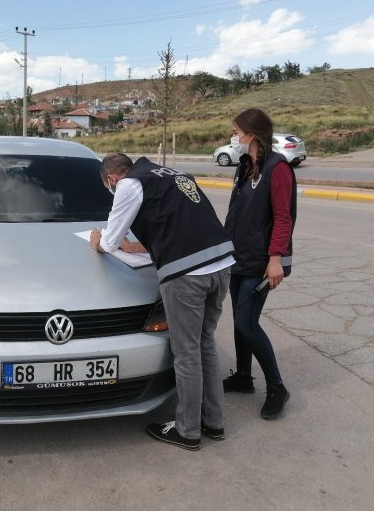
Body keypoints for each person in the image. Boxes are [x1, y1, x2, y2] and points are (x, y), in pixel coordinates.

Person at [89, 153, 235, 451]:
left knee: (186, 352)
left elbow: (109, 242)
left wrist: (97, 239)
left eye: (110, 187)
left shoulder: (129, 185)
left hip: (187, 275)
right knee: (205, 343)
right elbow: (177, 224)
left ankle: (187, 430)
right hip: (220, 265)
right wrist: (137, 246)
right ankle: (214, 422)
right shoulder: (172, 175)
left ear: (111, 179)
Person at [222, 108, 297, 419]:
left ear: (251, 135)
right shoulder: (245, 165)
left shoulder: (278, 168)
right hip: (239, 256)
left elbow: (283, 217)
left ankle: (277, 387)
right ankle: (243, 376)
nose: (234, 136)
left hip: (264, 261)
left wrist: (276, 259)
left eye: (237, 131)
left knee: (246, 323)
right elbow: (235, 214)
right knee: (241, 320)